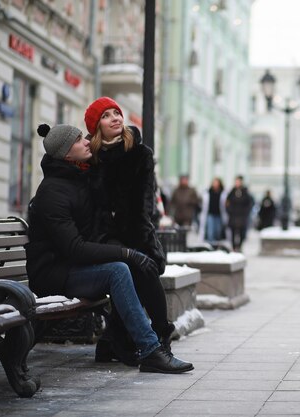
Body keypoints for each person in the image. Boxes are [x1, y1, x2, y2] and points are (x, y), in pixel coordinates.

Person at [26, 123, 193, 374]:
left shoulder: (78, 178)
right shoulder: (52, 191)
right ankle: (151, 350)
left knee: (135, 266)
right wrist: (127, 253)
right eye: (79, 139)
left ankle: (118, 343)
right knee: (118, 270)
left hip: (72, 266)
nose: (86, 142)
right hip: (54, 273)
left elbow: (117, 161)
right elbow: (75, 248)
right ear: (65, 154)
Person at [84, 96, 174, 364]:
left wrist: (141, 241)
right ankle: (136, 340)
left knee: (143, 268)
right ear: (96, 126)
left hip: (137, 230)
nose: (115, 118)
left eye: (117, 113)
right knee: (137, 269)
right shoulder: (92, 160)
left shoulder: (140, 154)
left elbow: (145, 203)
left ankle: (139, 338)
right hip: (105, 238)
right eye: (106, 115)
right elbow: (94, 207)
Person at [225, 175, 253, 252]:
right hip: (233, 216)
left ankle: (239, 246)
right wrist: (229, 211)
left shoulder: (245, 192)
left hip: (242, 216)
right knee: (233, 232)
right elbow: (227, 203)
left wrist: (245, 212)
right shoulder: (232, 192)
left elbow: (249, 203)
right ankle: (234, 247)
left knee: (242, 233)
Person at [199, 177, 227, 244]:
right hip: (210, 214)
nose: (215, 184)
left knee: (217, 231)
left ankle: (216, 244)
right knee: (210, 231)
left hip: (219, 215)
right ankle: (210, 244)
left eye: (217, 183)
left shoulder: (223, 193)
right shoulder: (208, 192)